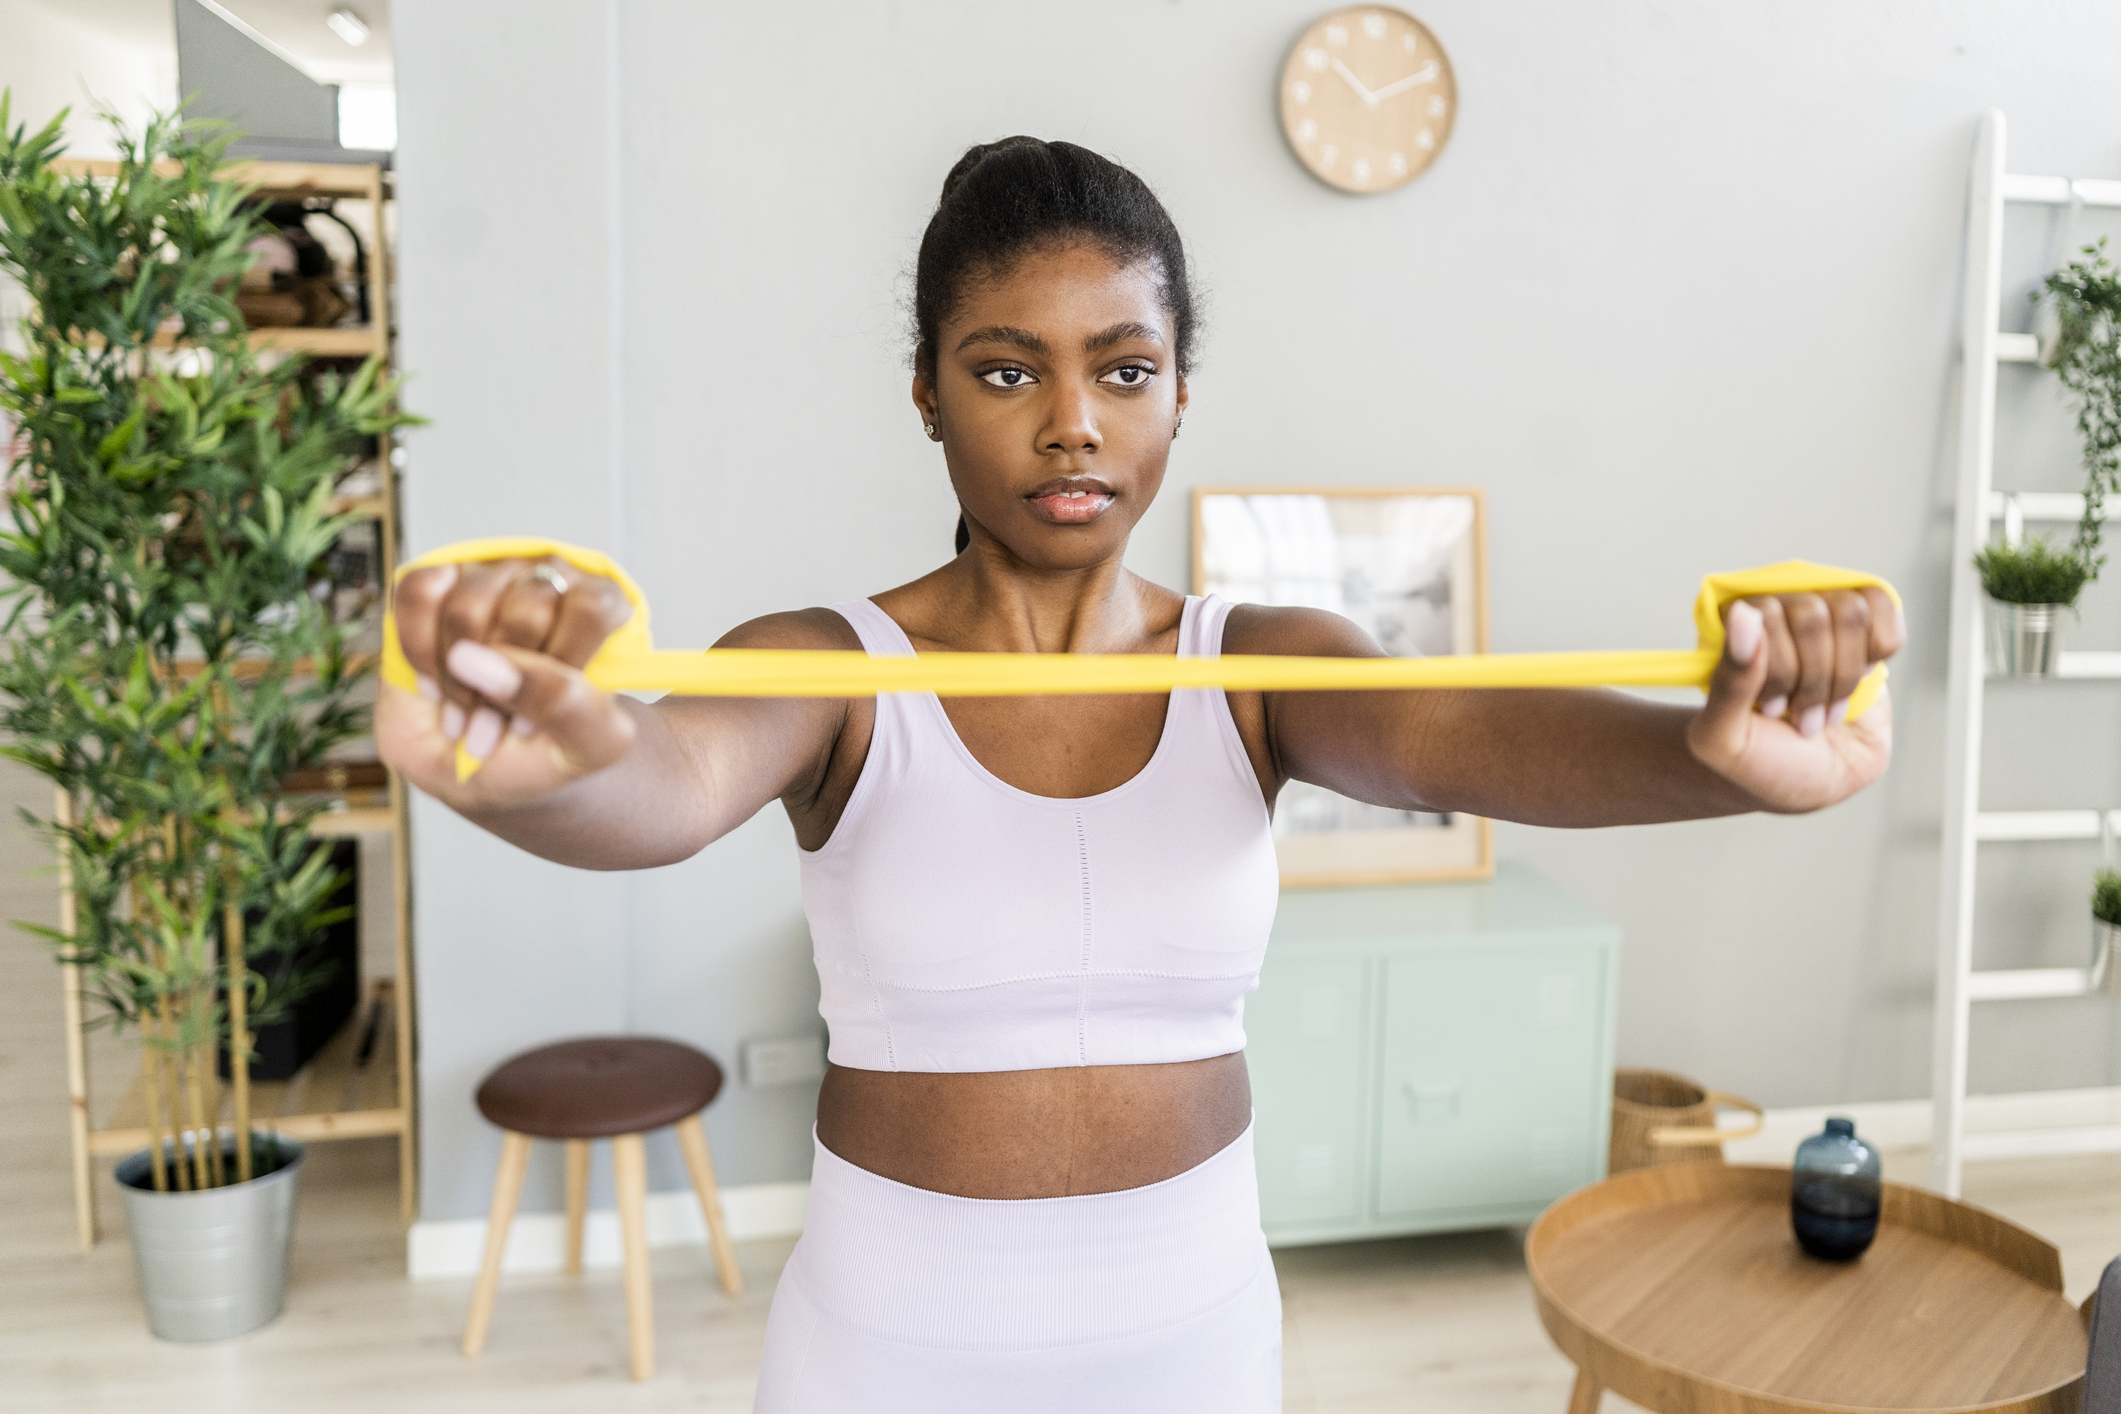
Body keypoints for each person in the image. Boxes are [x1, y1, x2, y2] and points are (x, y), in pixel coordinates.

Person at [378, 137, 1903, 1412]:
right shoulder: (827, 663)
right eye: (1003, 369)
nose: (1071, 424)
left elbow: (1459, 731)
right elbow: (661, 774)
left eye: (1122, 368)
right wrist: (534, 769)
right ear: (925, 388)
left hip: (1192, 1339)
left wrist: (1711, 756)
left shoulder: (1259, 662)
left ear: (1179, 390)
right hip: (891, 1348)